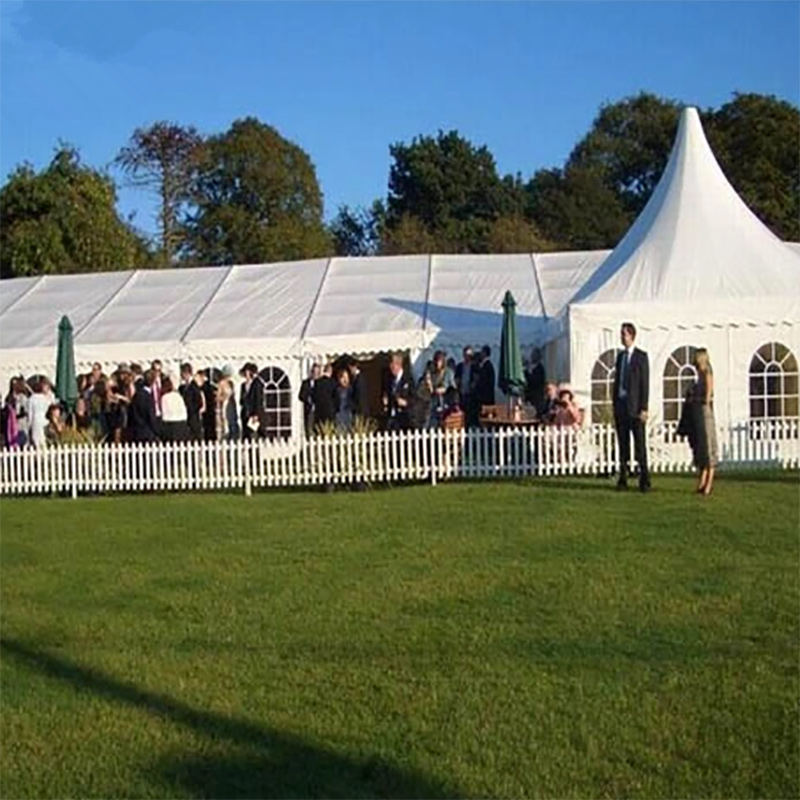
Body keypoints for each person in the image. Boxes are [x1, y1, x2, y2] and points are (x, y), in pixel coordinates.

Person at [613, 322, 650, 492]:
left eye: (624, 334)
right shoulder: (620, 357)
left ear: (631, 336)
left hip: (635, 407)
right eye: (621, 334)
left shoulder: (641, 357)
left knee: (640, 444)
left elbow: (644, 384)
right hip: (621, 405)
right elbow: (617, 382)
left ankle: (644, 479)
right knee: (623, 444)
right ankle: (623, 478)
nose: (622, 337)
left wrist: (644, 407)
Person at [683, 348, 718, 496]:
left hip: (705, 414)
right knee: (701, 448)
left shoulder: (707, 375)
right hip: (697, 414)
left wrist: (696, 397)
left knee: (708, 447)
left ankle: (709, 483)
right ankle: (702, 481)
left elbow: (707, 398)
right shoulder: (699, 376)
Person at [382, 353, 413, 431]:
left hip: (404, 418)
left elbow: (415, 398)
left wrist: (406, 402)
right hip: (391, 417)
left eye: (392, 365)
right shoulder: (389, 379)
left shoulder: (408, 379)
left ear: (399, 365)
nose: (390, 367)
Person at [130, 369, 160, 442]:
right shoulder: (147, 396)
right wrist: (157, 431)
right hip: (147, 433)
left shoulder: (137, 395)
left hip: (137, 430)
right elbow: (150, 415)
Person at [239, 362, 266, 440]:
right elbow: (241, 400)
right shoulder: (243, 385)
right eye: (245, 372)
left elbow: (258, 399)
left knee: (257, 433)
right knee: (246, 434)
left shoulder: (257, 383)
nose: (246, 374)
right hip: (245, 412)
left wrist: (256, 414)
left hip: (254, 413)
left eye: (247, 372)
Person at [159, 376, 190, 442]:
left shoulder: (164, 397)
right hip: (182, 423)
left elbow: (164, 412)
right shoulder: (178, 396)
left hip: (170, 424)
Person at [180, 365, 205, 441]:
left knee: (195, 434)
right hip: (187, 415)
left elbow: (199, 401)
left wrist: (191, 409)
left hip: (193, 415)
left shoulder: (194, 386)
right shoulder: (183, 387)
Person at [454, 346, 476, 424]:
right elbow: (456, 378)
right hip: (461, 393)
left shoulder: (475, 367)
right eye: (466, 354)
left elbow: (476, 380)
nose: (467, 357)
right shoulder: (460, 366)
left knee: (470, 414)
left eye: (469, 355)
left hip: (471, 395)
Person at [214, 375, 240, 442]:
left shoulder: (231, 383)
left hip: (231, 405)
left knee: (233, 424)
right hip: (224, 406)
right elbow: (217, 397)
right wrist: (224, 397)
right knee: (225, 425)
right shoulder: (221, 383)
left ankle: (233, 439)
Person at [28, 377, 52, 448]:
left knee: (37, 441)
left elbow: (30, 414)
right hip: (44, 421)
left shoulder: (32, 399)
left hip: (36, 421)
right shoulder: (46, 398)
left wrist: (29, 425)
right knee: (43, 440)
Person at [312, 363, 336, 428]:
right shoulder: (333, 383)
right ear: (331, 371)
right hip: (330, 411)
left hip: (319, 411)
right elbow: (336, 397)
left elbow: (314, 396)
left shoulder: (317, 382)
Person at [299, 364, 320, 436]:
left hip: (318, 410)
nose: (315, 374)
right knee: (308, 428)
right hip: (309, 409)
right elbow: (301, 396)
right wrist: (307, 398)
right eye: (314, 372)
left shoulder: (321, 383)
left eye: (317, 373)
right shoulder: (305, 383)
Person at [475, 345, 496, 410]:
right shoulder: (481, 364)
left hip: (486, 396)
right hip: (480, 395)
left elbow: (488, 381)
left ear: (485, 353)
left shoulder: (488, 366)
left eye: (482, 352)